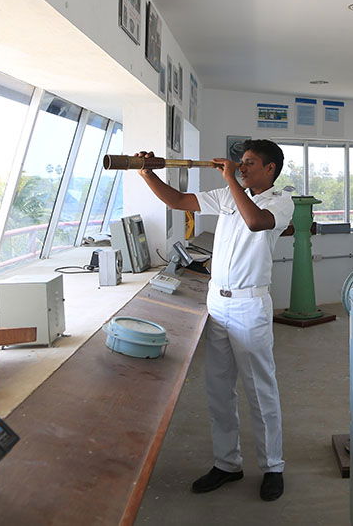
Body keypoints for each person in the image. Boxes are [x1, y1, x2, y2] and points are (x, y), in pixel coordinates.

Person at [134, 139, 293, 502]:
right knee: (219, 388)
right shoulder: (227, 195)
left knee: (260, 389)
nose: (243, 167)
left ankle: (273, 467)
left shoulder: (279, 201)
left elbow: (254, 222)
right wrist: (146, 173)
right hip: (217, 303)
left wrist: (232, 181)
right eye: (241, 162)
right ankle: (227, 463)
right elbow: (177, 201)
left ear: (270, 169)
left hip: (250, 306)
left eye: (250, 163)